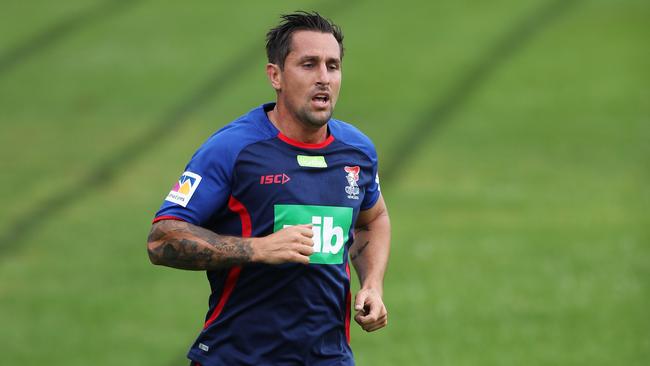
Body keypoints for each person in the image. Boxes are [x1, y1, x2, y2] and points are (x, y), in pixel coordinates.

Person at [147, 11, 391, 366]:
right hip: (237, 358)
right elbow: (161, 239)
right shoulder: (232, 150)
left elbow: (373, 218)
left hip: (329, 358)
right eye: (308, 65)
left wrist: (372, 284)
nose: (323, 78)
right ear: (275, 75)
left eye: (332, 66)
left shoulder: (357, 151)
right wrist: (257, 249)